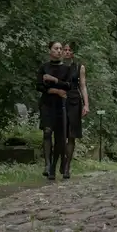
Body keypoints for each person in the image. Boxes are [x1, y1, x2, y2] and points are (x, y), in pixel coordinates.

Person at [36, 41, 74, 180]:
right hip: (47, 104)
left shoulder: (66, 69)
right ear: (50, 51)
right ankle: (47, 163)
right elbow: (38, 85)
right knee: (47, 132)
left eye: (60, 49)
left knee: (60, 138)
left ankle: (53, 168)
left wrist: (55, 81)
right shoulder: (43, 67)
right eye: (55, 48)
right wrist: (52, 90)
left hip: (61, 106)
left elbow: (69, 85)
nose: (59, 51)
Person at [61, 41, 89, 179]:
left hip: (74, 100)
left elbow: (83, 86)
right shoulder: (57, 67)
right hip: (59, 99)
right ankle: (59, 163)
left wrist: (86, 104)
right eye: (64, 49)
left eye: (69, 50)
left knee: (71, 134)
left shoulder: (79, 67)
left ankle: (67, 166)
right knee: (60, 133)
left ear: (73, 52)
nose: (66, 51)